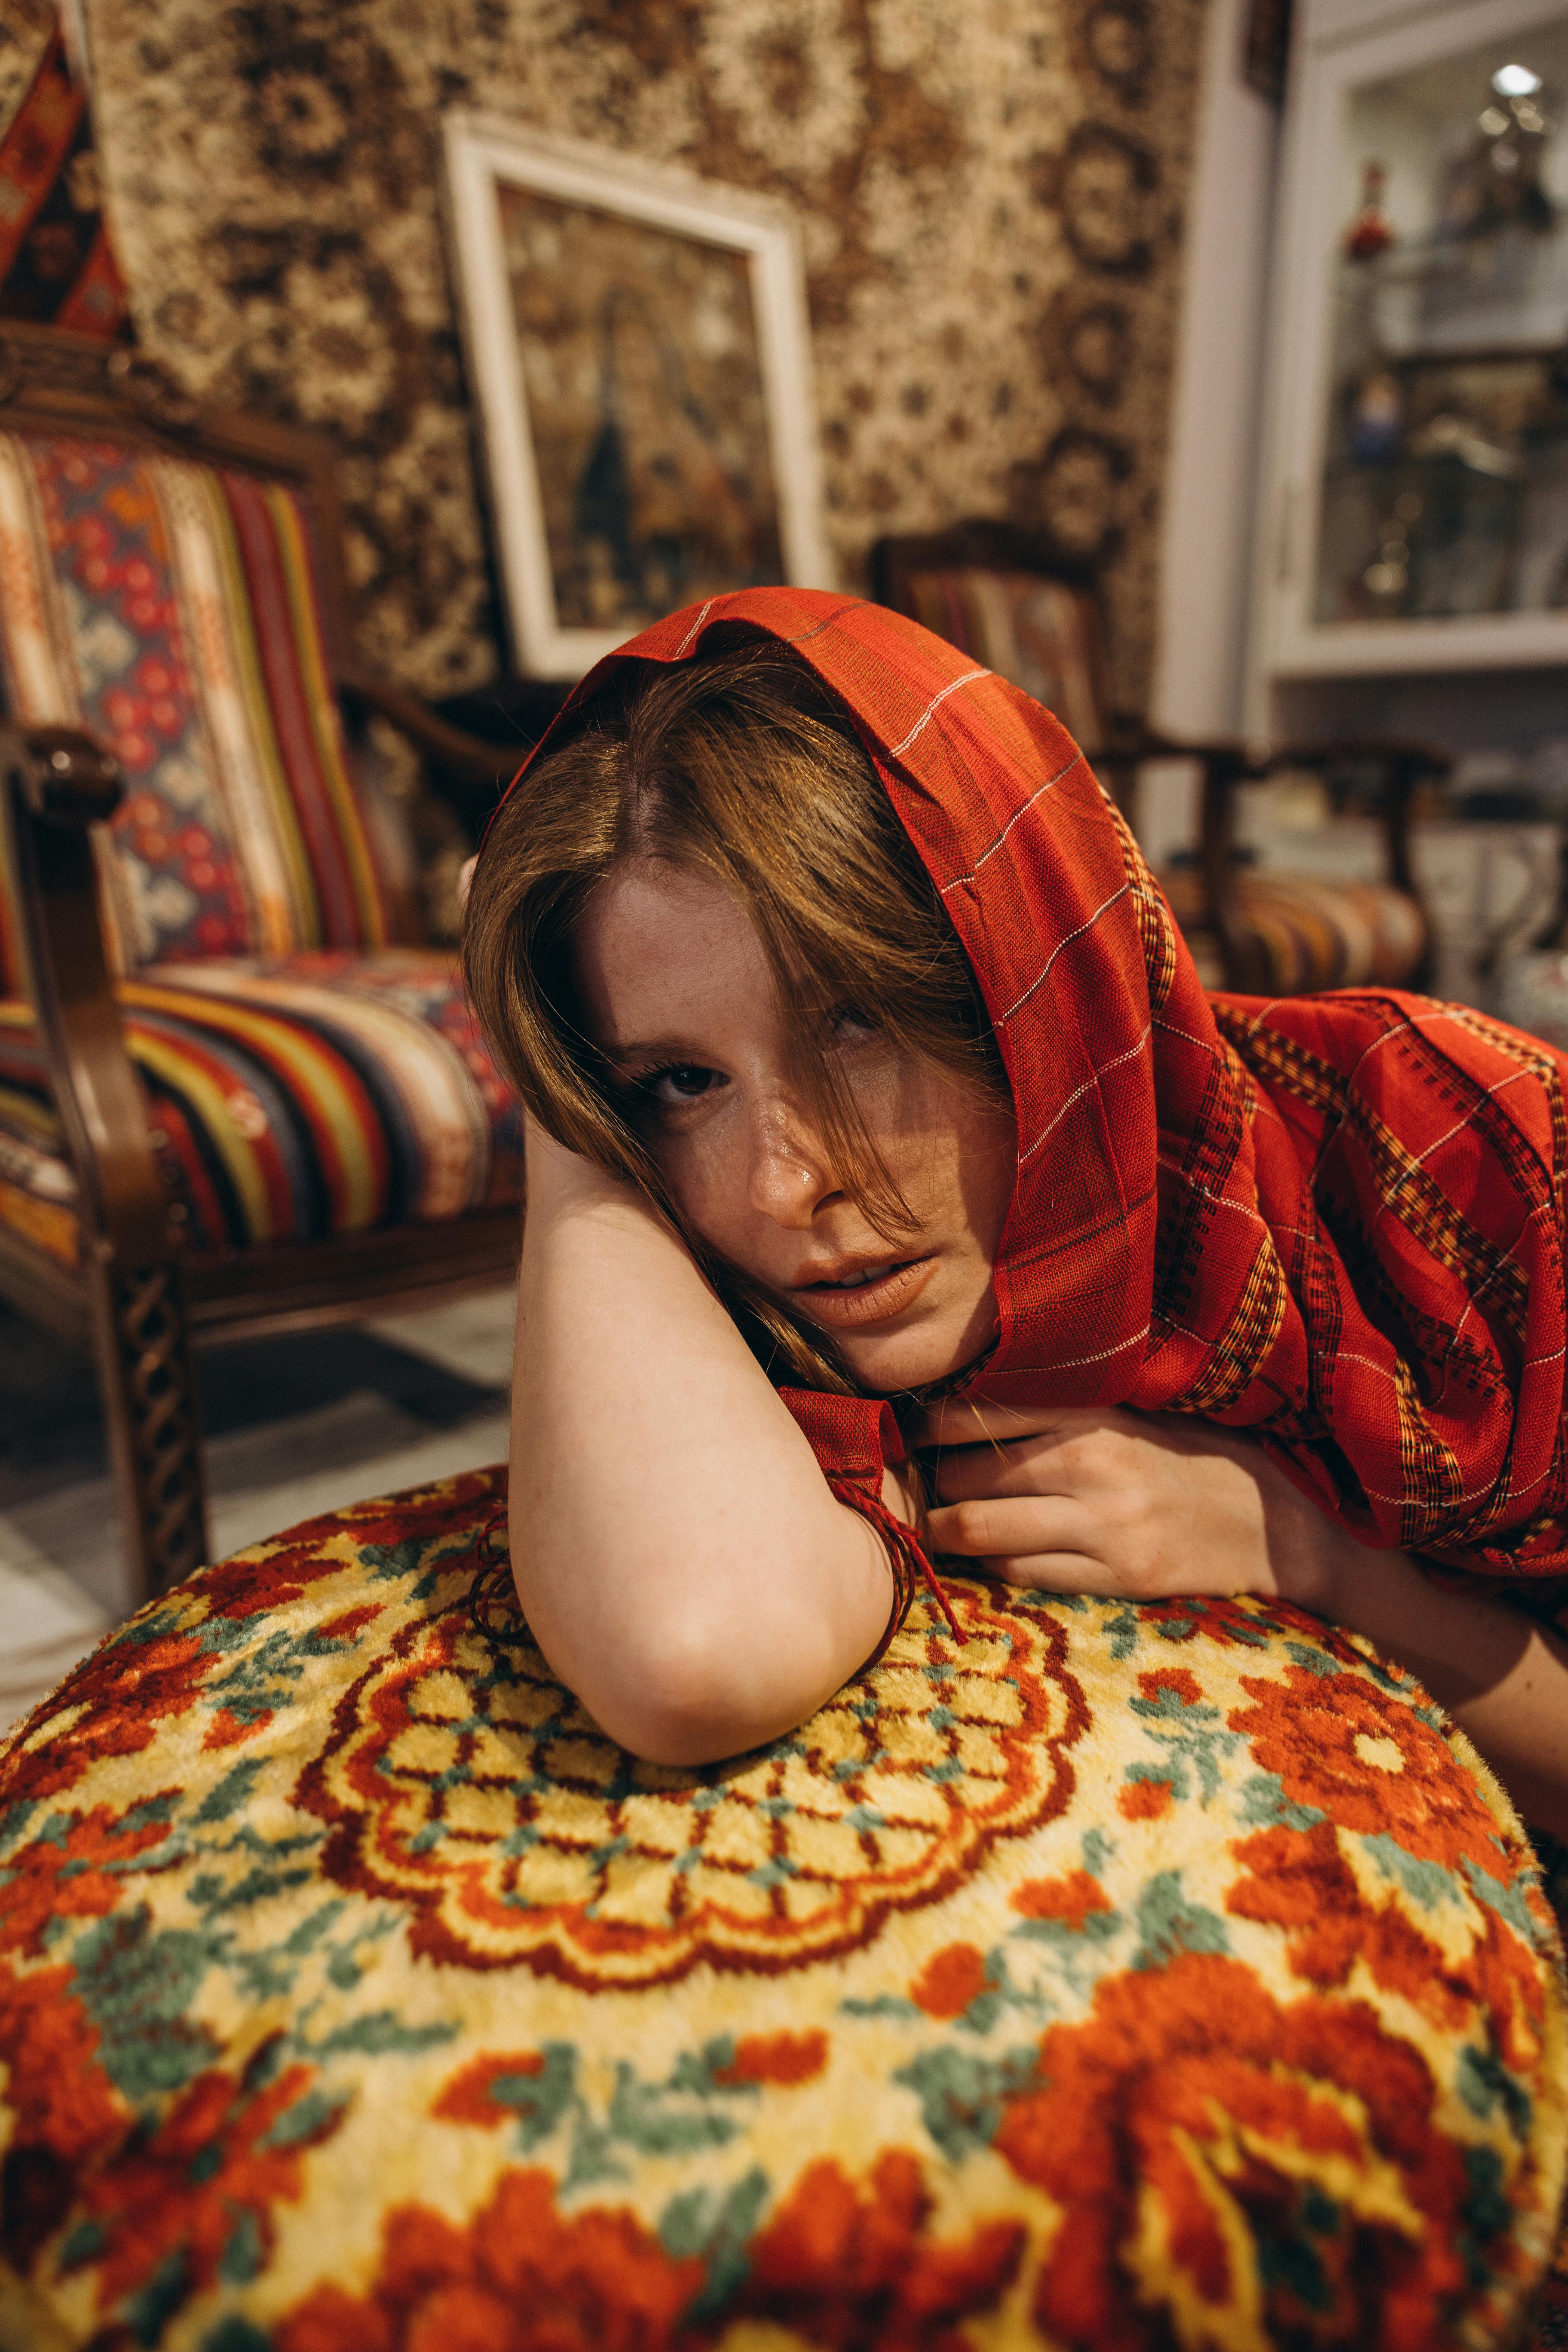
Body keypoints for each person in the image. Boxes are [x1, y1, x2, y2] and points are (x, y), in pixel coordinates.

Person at [462, 588, 1568, 1836]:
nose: (783, 1186)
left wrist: (1316, 1558)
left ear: (1042, 978)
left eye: (858, 1021)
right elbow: (696, 1647)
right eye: (680, 1080)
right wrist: (563, 1117)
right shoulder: (741, 1280)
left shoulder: (1459, 1150)